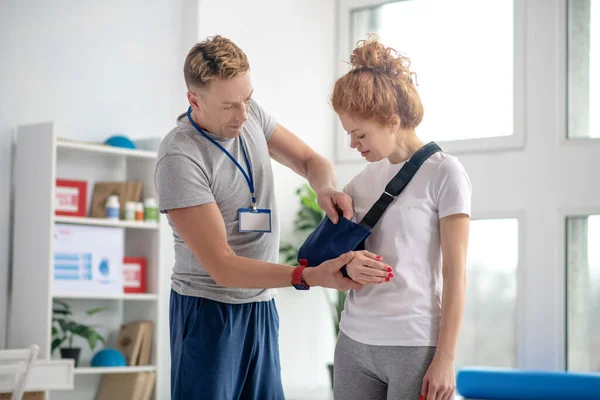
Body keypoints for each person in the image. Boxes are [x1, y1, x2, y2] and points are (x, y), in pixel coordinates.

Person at [153, 35, 392, 400]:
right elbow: (224, 267)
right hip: (207, 311)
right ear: (194, 100)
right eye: (230, 105)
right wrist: (308, 276)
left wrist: (324, 187)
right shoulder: (180, 157)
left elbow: (313, 162)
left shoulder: (250, 117)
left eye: (247, 99)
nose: (243, 115)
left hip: (260, 306)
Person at [329, 36, 472, 400]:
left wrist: (446, 358)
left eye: (359, 134)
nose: (352, 144)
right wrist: (349, 265)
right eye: (348, 134)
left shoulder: (445, 173)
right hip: (353, 342)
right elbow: (339, 263)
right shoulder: (359, 184)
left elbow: (455, 274)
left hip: (414, 344)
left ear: (392, 122)